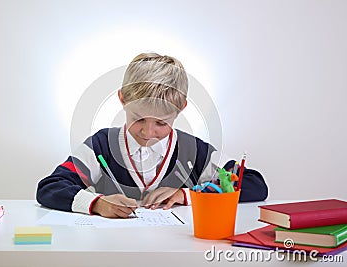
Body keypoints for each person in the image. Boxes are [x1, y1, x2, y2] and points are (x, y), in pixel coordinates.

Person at [36, 53, 268, 218]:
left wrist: (186, 194)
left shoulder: (192, 150)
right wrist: (96, 204)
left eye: (161, 123)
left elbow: (254, 185)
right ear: (122, 100)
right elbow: (50, 187)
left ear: (181, 109)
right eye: (138, 118)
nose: (148, 132)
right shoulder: (100, 146)